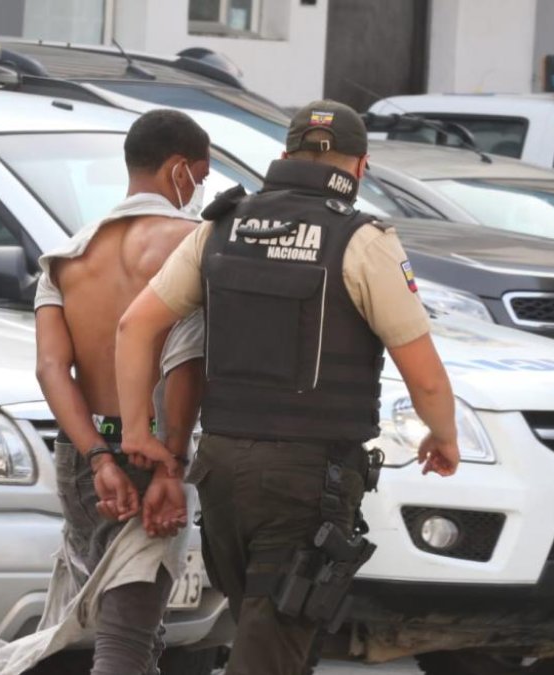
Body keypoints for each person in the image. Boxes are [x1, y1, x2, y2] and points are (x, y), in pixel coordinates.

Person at [114, 99, 460, 675]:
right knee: (272, 643)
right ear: (361, 167)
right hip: (308, 479)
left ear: (282, 156)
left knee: (271, 630)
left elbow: (135, 325)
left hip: (221, 468)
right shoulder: (363, 241)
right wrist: (442, 436)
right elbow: (422, 372)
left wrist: (135, 430)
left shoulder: (222, 226)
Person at [0, 109, 210, 675]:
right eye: (199, 177)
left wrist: (99, 457)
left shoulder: (68, 258)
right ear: (178, 169)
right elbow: (185, 362)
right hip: (154, 455)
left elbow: (52, 369)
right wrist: (169, 467)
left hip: (85, 460)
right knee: (126, 640)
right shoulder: (193, 247)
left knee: (140, 631)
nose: (199, 192)